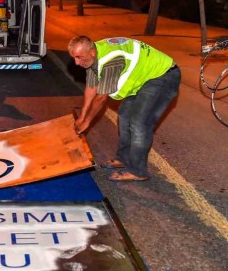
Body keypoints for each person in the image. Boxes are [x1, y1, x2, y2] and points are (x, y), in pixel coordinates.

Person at [69, 36, 181, 182]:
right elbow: (91, 88)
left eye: (79, 57)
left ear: (92, 52)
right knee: (124, 115)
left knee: (139, 123)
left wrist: (87, 122)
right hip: (142, 79)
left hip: (163, 76)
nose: (77, 63)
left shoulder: (111, 60)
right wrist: (82, 117)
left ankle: (138, 171)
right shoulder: (92, 57)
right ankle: (124, 158)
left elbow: (101, 98)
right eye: (74, 58)